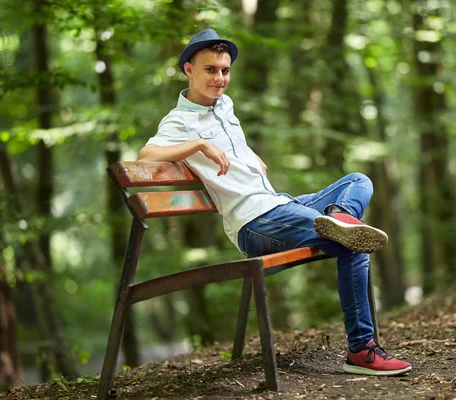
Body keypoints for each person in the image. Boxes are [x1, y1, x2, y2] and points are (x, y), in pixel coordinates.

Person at [138, 28, 412, 376]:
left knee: (359, 181)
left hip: (278, 204)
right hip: (254, 223)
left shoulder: (225, 106)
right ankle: (361, 351)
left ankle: (340, 216)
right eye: (210, 70)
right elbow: (146, 156)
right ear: (189, 69)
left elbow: (233, 144)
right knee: (352, 246)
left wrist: (250, 155)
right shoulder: (179, 121)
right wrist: (198, 146)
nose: (220, 78)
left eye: (224, 70)